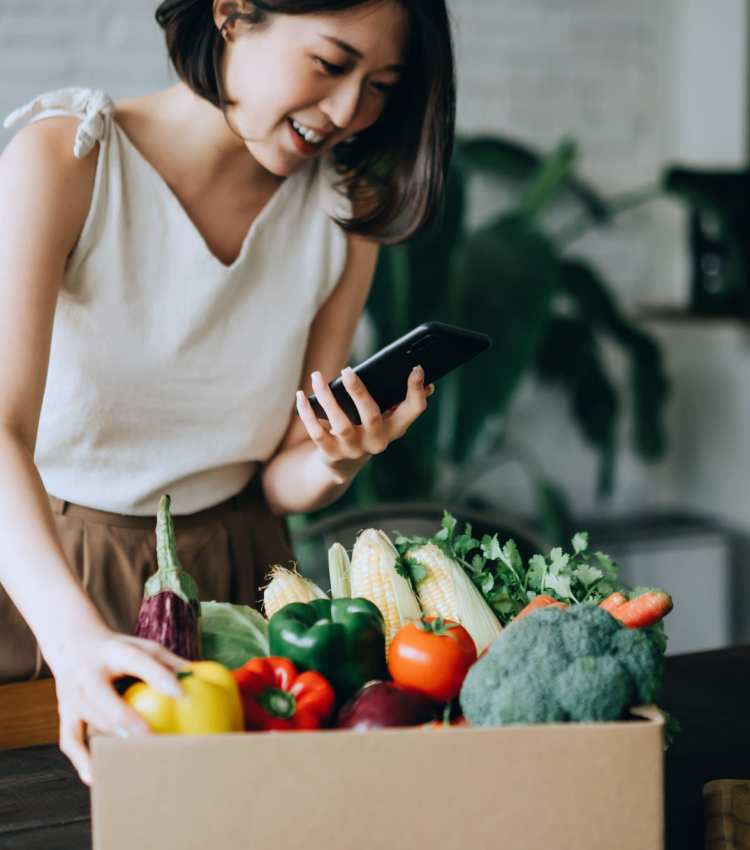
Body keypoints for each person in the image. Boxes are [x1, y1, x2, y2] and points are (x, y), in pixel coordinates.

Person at [0, 0, 454, 784]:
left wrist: (340, 457)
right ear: (234, 13)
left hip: (239, 579)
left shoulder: (342, 219)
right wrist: (73, 637)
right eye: (332, 63)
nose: (351, 112)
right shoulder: (68, 161)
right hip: (51, 578)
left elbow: (280, 477)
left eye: (382, 84)